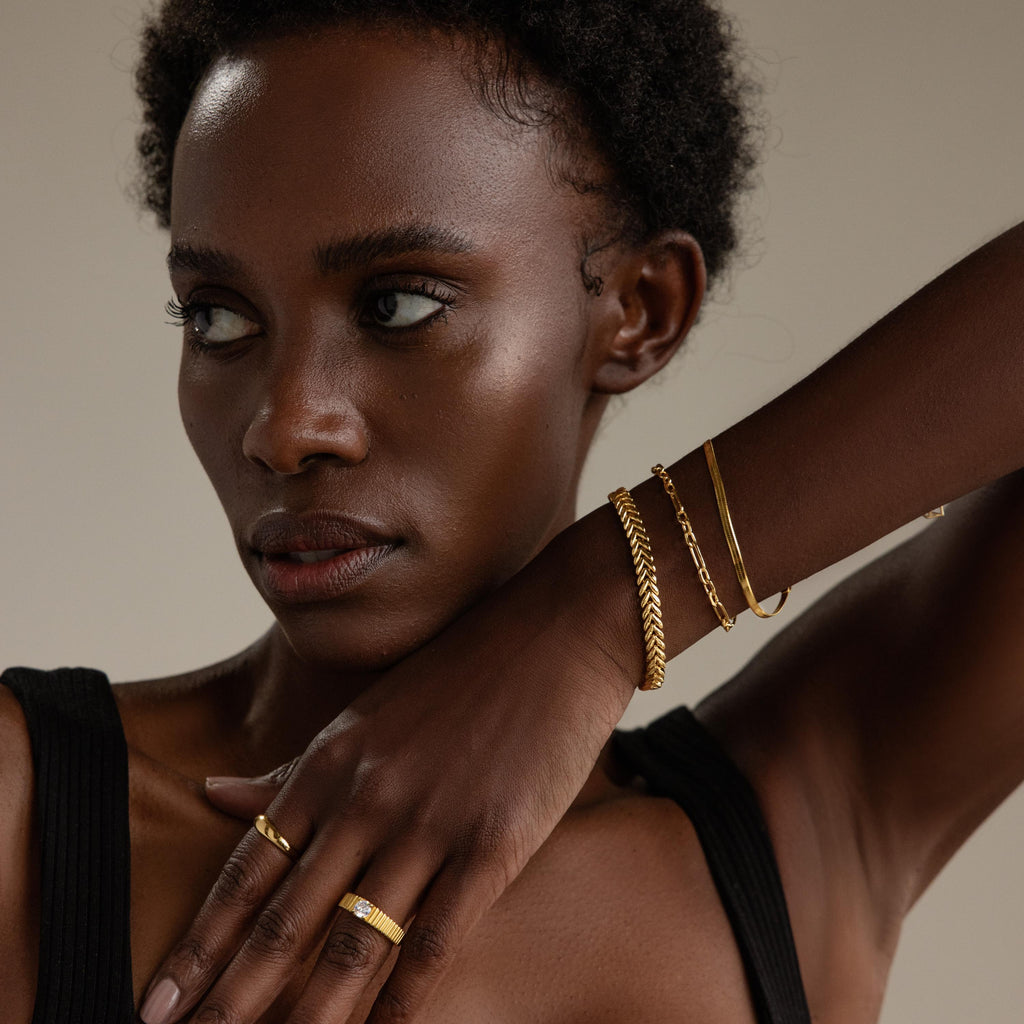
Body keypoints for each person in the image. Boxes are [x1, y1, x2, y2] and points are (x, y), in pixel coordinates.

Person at [2, 1, 1023, 1022]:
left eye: (397, 304)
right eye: (218, 317)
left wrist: (608, 605)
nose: (286, 426)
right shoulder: (26, 811)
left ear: (641, 311)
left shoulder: (803, 825)